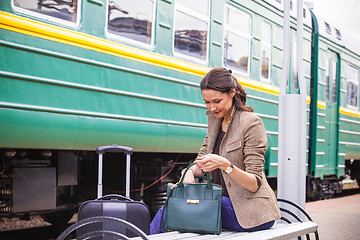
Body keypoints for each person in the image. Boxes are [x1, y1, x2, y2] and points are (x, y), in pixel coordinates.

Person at [150, 67, 280, 234]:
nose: (212, 108)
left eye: (217, 101)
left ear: (232, 92)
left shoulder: (251, 123)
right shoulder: (214, 122)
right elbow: (201, 162)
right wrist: (188, 172)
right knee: (176, 208)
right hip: (221, 204)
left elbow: (254, 184)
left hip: (251, 212)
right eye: (207, 102)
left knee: (171, 210)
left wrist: (226, 165)